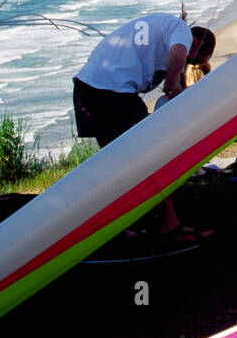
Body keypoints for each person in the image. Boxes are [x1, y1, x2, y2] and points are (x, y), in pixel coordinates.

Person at [72, 13, 216, 238]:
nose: (189, 64)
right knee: (153, 155)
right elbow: (178, 54)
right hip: (112, 92)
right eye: (193, 61)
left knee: (114, 163)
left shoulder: (164, 29)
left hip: (86, 87)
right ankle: (169, 225)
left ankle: (115, 225)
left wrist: (175, 81)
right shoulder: (181, 32)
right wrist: (171, 84)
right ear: (196, 45)